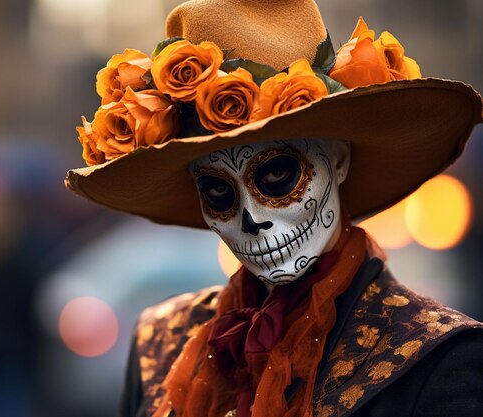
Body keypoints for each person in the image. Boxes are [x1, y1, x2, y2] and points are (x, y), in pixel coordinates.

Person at [65, 0, 483, 416]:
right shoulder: (159, 344)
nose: (252, 219)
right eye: (218, 192)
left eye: (278, 176)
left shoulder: (437, 360)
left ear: (337, 160)